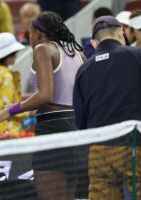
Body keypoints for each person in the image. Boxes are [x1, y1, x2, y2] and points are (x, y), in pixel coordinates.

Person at [0, 11, 85, 199]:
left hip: (54, 130)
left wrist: (10, 111)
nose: (30, 38)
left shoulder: (42, 49)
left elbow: (45, 95)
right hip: (77, 129)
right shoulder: (78, 52)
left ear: (38, 33)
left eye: (30, 33)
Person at [73, 16, 141, 200]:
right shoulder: (136, 55)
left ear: (94, 43)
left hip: (99, 150)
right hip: (134, 144)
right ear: (121, 33)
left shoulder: (83, 70)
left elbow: (80, 121)